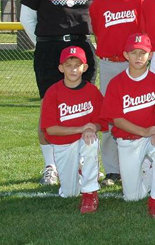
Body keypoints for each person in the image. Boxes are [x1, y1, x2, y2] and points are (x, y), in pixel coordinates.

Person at [20, 0, 103, 185]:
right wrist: (44, 44)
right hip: (50, 49)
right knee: (49, 106)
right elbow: (27, 18)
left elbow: (99, 17)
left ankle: (80, 162)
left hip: (81, 47)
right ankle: (50, 165)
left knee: (82, 105)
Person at [101, 33, 155, 218]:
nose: (138, 57)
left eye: (143, 52)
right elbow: (116, 119)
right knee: (132, 197)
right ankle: (153, 173)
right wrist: (144, 131)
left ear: (150, 55)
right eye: (133, 53)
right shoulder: (116, 83)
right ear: (125, 55)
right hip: (128, 141)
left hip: (149, 138)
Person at [90, 0, 144, 187]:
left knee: (138, 110)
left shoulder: (139, 2)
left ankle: (141, 163)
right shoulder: (98, 4)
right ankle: (112, 170)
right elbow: (98, 33)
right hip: (110, 64)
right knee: (111, 115)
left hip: (135, 63)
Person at [40, 46, 105, 214]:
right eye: (68, 65)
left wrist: (92, 128)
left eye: (78, 65)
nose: (73, 69)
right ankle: (80, 169)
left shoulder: (92, 91)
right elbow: (51, 129)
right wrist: (82, 128)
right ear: (61, 68)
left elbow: (101, 121)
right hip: (63, 144)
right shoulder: (53, 92)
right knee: (69, 193)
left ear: (85, 67)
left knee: (91, 141)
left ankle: (90, 193)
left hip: (84, 140)